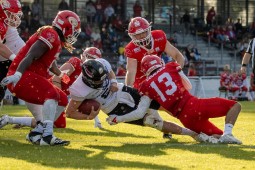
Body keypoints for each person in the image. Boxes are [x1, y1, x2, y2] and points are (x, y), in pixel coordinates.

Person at [66, 59, 214, 143]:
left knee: (162, 104)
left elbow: (110, 71)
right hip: (113, 108)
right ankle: (193, 133)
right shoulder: (79, 89)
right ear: (88, 80)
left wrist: (112, 82)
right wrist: (88, 117)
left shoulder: (101, 64)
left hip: (123, 90)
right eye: (99, 81)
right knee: (153, 122)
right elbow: (70, 113)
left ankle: (196, 118)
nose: (102, 82)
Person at [109, 55, 242, 144]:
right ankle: (228, 133)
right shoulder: (171, 67)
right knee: (235, 106)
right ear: (159, 62)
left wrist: (118, 118)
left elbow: (139, 112)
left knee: (218, 135)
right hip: (194, 105)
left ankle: (214, 137)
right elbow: (188, 85)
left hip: (184, 118)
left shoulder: (146, 86)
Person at [0, 10, 81, 146]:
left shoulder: (54, 37)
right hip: (23, 75)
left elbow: (49, 62)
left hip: (30, 76)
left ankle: (37, 132)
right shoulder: (50, 34)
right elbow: (30, 55)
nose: (73, 34)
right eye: (73, 29)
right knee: (52, 93)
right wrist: (17, 75)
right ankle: (47, 135)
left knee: (61, 98)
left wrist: (61, 75)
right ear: (66, 25)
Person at [0, 47, 104, 129]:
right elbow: (57, 78)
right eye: (91, 58)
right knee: (47, 123)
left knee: (58, 124)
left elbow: (70, 112)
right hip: (46, 92)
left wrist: (92, 118)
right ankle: (10, 120)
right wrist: (58, 96)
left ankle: (19, 120)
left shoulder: (89, 77)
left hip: (55, 97)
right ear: (84, 56)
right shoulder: (77, 62)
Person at [125, 17, 185, 139]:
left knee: (174, 106)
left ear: (149, 30)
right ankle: (174, 128)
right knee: (156, 112)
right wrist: (129, 89)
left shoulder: (159, 36)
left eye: (143, 32)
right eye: (137, 34)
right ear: (132, 36)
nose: (141, 36)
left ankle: (190, 122)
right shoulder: (131, 48)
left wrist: (176, 72)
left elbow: (178, 56)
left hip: (159, 78)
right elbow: (131, 71)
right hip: (143, 84)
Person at [0, 0, 24, 105]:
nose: (15, 18)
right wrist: (16, 59)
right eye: (11, 14)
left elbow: (19, 44)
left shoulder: (7, 26)